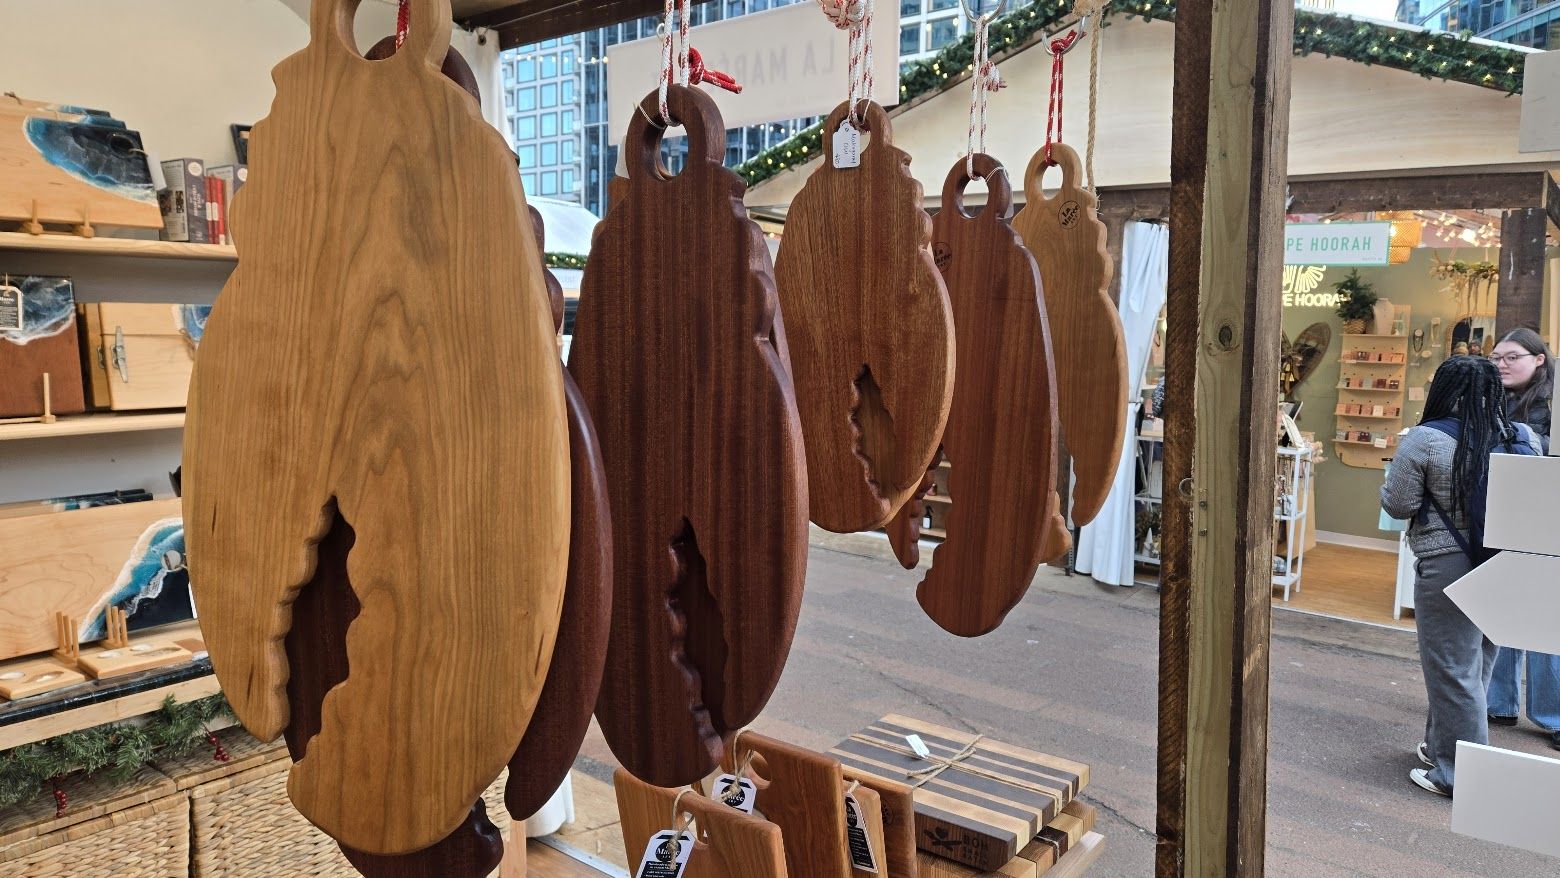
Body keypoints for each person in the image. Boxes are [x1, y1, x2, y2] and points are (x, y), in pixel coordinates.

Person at [1380, 356, 1542, 796]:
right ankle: (1441, 747)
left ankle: (1458, 774)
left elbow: (1397, 505)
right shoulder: (1524, 436)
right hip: (1505, 564)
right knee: (1477, 664)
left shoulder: (1426, 439)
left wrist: (1386, 481)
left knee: (1451, 667)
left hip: (1448, 563)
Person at [1485, 328, 1559, 750]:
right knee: (1502, 606)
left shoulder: (1552, 404)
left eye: (1512, 357)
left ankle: (1553, 715)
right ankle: (1499, 703)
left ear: (1539, 359)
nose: (1502, 364)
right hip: (1502, 515)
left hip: (1546, 519)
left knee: (1547, 621)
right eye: (1496, 357)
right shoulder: (1492, 399)